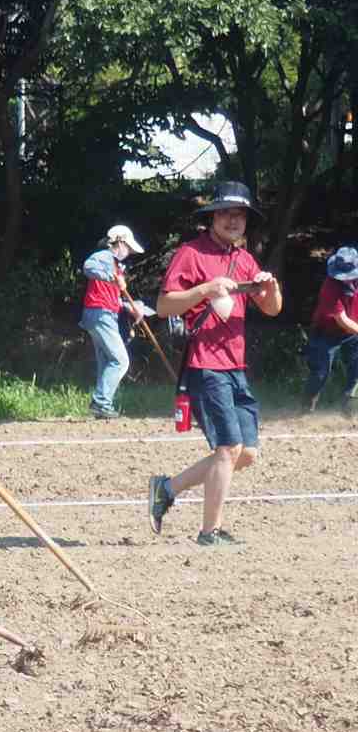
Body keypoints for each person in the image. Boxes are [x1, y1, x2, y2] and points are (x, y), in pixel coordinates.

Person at [147, 182, 282, 546]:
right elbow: (163, 306)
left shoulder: (246, 259)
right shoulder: (190, 254)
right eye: (226, 213)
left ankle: (167, 488)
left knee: (246, 453)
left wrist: (270, 287)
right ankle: (210, 532)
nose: (234, 220)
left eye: (240, 215)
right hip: (205, 365)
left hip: (235, 366)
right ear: (212, 218)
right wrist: (205, 290)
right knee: (227, 449)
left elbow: (272, 309)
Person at [79, 225, 145, 419]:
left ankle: (102, 406)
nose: (129, 252)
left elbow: (111, 296)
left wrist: (129, 308)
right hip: (100, 314)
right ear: (120, 242)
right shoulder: (104, 257)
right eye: (129, 248)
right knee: (120, 360)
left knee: (107, 361)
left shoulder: (116, 265)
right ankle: (101, 403)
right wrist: (112, 278)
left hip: (101, 313)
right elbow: (88, 267)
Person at [302, 246, 358, 417]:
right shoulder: (329, 287)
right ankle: (305, 409)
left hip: (353, 332)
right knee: (320, 372)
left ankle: (349, 408)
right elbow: (342, 320)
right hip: (326, 333)